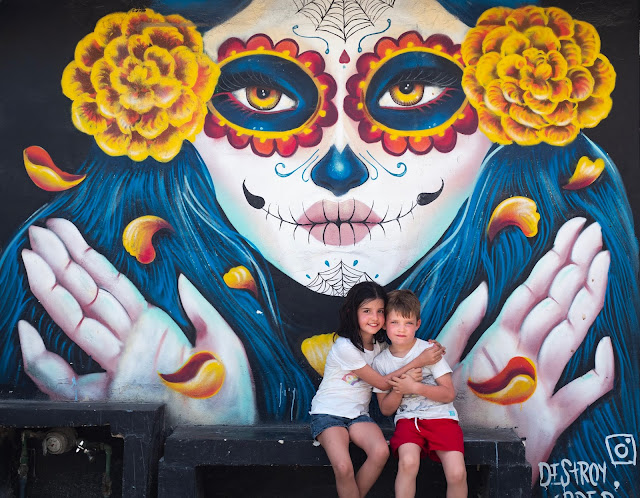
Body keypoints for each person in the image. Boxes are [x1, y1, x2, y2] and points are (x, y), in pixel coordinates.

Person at [310, 282, 444, 498]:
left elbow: (406, 350)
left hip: (358, 416)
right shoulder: (345, 347)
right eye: (366, 311)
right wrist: (420, 360)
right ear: (352, 313)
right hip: (328, 415)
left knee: (381, 451)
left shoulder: (381, 347)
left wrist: (430, 349)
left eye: (380, 311)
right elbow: (382, 383)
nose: (374, 317)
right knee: (344, 467)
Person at [373, 290, 466, 498]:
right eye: (395, 322)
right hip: (408, 421)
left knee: (457, 473)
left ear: (418, 324)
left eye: (408, 323)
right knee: (408, 462)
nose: (401, 329)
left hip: (442, 419)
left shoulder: (430, 352)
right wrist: (401, 389)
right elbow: (386, 409)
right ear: (385, 324)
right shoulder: (381, 363)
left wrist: (415, 388)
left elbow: (448, 393)